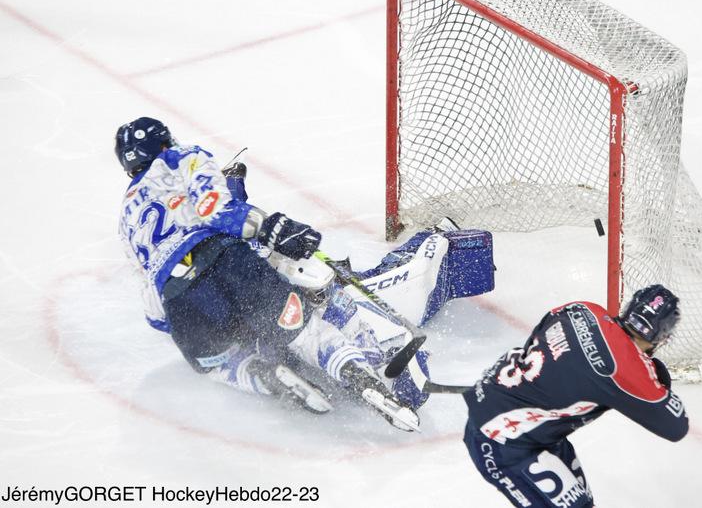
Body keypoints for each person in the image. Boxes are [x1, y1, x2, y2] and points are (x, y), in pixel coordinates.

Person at [115, 117, 495, 431]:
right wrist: (273, 228)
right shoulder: (182, 158)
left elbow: (155, 313)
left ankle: (261, 375)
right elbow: (220, 212)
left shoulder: (127, 218)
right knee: (308, 322)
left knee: (219, 360)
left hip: (181, 308)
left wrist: (190, 325)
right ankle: (357, 372)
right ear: (165, 146)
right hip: (229, 265)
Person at [462, 285, 688, 507]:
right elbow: (676, 426)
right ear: (662, 335)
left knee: (582, 503)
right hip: (502, 439)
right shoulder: (629, 370)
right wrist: (656, 373)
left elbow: (539, 340)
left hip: (521, 414)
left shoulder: (583, 309)